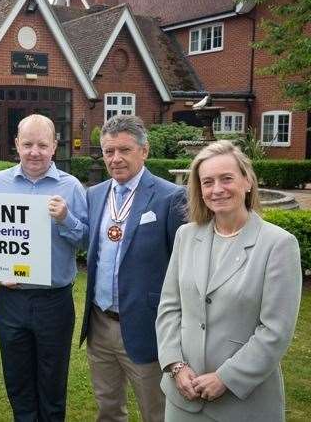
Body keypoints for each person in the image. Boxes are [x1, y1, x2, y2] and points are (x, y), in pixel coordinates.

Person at [156, 140, 302, 421]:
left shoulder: (278, 244)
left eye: (227, 179)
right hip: (183, 395)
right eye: (207, 182)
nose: (217, 189)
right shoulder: (186, 236)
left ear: (247, 182)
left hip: (242, 401)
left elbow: (276, 331)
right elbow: (169, 308)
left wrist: (226, 377)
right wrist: (175, 365)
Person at [80, 114, 186, 422]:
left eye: (124, 150)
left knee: (157, 411)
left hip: (146, 325)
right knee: (108, 407)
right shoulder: (95, 194)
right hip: (100, 323)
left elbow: (185, 266)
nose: (116, 159)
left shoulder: (170, 197)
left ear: (144, 151)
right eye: (109, 151)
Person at [0, 114, 88, 421]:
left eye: (42, 145)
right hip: (11, 300)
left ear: (54, 146)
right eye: (28, 144)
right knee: (17, 382)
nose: (35, 152)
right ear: (16, 144)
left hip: (53, 300)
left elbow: (85, 240)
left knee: (52, 381)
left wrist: (66, 219)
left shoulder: (71, 187)